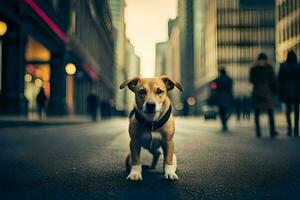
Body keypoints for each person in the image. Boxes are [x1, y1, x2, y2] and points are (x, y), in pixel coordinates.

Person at [249, 53, 278, 138]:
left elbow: (251, 80)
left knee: (257, 112)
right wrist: (275, 92)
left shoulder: (253, 69)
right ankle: (272, 131)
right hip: (267, 91)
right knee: (270, 112)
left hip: (257, 91)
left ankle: (258, 132)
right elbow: (273, 81)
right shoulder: (270, 68)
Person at [278, 50, 300, 137]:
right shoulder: (298, 66)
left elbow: (280, 80)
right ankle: (296, 129)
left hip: (286, 90)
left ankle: (289, 128)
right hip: (297, 91)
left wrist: (280, 91)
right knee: (296, 110)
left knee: (288, 110)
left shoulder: (283, 66)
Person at [212, 67, 233, 132]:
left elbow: (213, 87)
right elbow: (231, 89)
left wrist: (214, 95)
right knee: (227, 111)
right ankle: (225, 122)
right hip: (227, 96)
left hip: (220, 97)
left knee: (221, 112)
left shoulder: (217, 80)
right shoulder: (229, 79)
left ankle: (224, 124)